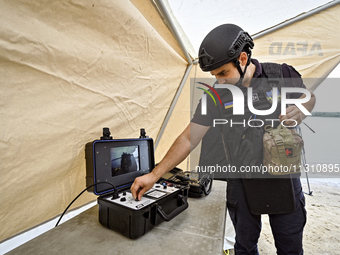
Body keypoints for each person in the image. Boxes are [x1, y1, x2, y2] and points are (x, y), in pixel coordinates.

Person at [131, 24, 315, 254]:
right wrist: (154, 174)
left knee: (290, 248)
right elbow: (189, 138)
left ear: (243, 58)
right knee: (244, 247)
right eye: (215, 75)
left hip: (284, 180)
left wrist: (303, 109)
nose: (219, 80)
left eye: (223, 73)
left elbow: (309, 97)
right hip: (241, 182)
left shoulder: (281, 74)